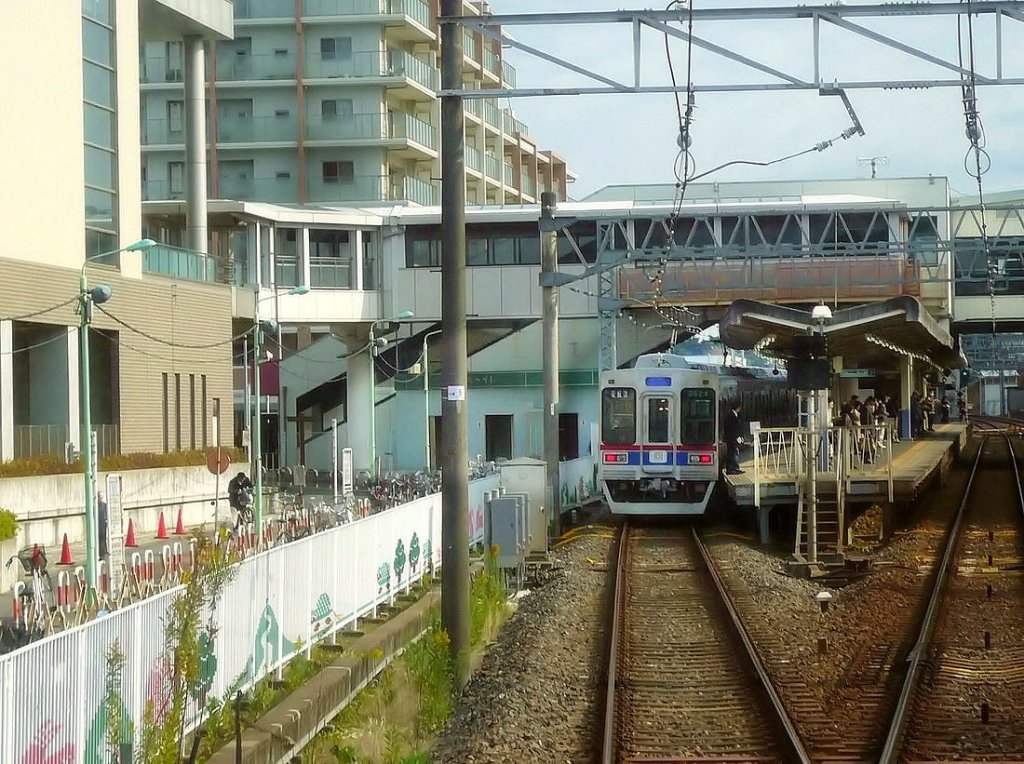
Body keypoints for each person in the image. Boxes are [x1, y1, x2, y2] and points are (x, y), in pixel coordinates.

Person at [724, 402, 744, 475]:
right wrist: (736, 437)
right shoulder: (730, 416)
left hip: (734, 437)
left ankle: (735, 467)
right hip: (731, 438)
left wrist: (740, 436)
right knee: (732, 453)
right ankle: (731, 469)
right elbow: (731, 429)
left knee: (735, 452)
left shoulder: (736, 415)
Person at [97, 491, 109, 559]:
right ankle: (101, 554)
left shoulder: (104, 505)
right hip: (100, 524)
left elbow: (106, 515)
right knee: (101, 540)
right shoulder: (96, 505)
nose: (100, 498)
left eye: (101, 497)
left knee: (102, 539)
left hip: (102, 524)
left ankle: (103, 551)